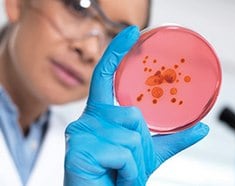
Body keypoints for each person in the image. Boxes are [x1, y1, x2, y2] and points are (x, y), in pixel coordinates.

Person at [0, 0, 210, 185]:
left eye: (115, 35)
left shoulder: (92, 157)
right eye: (77, 6)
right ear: (17, 2)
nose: (90, 50)